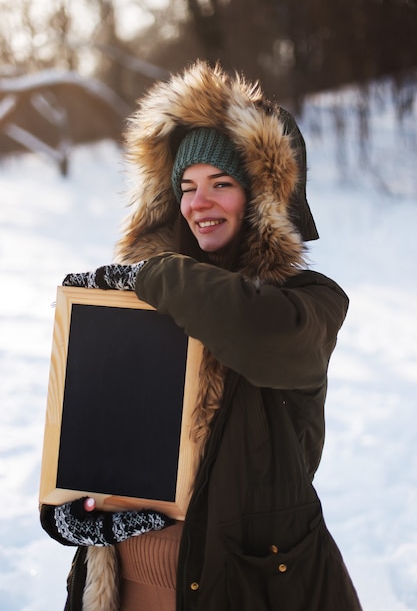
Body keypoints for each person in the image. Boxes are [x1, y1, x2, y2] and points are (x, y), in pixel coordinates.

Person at [40, 60, 363, 611]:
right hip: (125, 589)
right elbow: (88, 435)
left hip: (244, 587)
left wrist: (155, 274)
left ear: (263, 199)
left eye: (222, 183)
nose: (199, 203)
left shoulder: (309, 302)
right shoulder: (132, 308)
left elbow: (259, 332)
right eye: (187, 187)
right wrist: (69, 507)